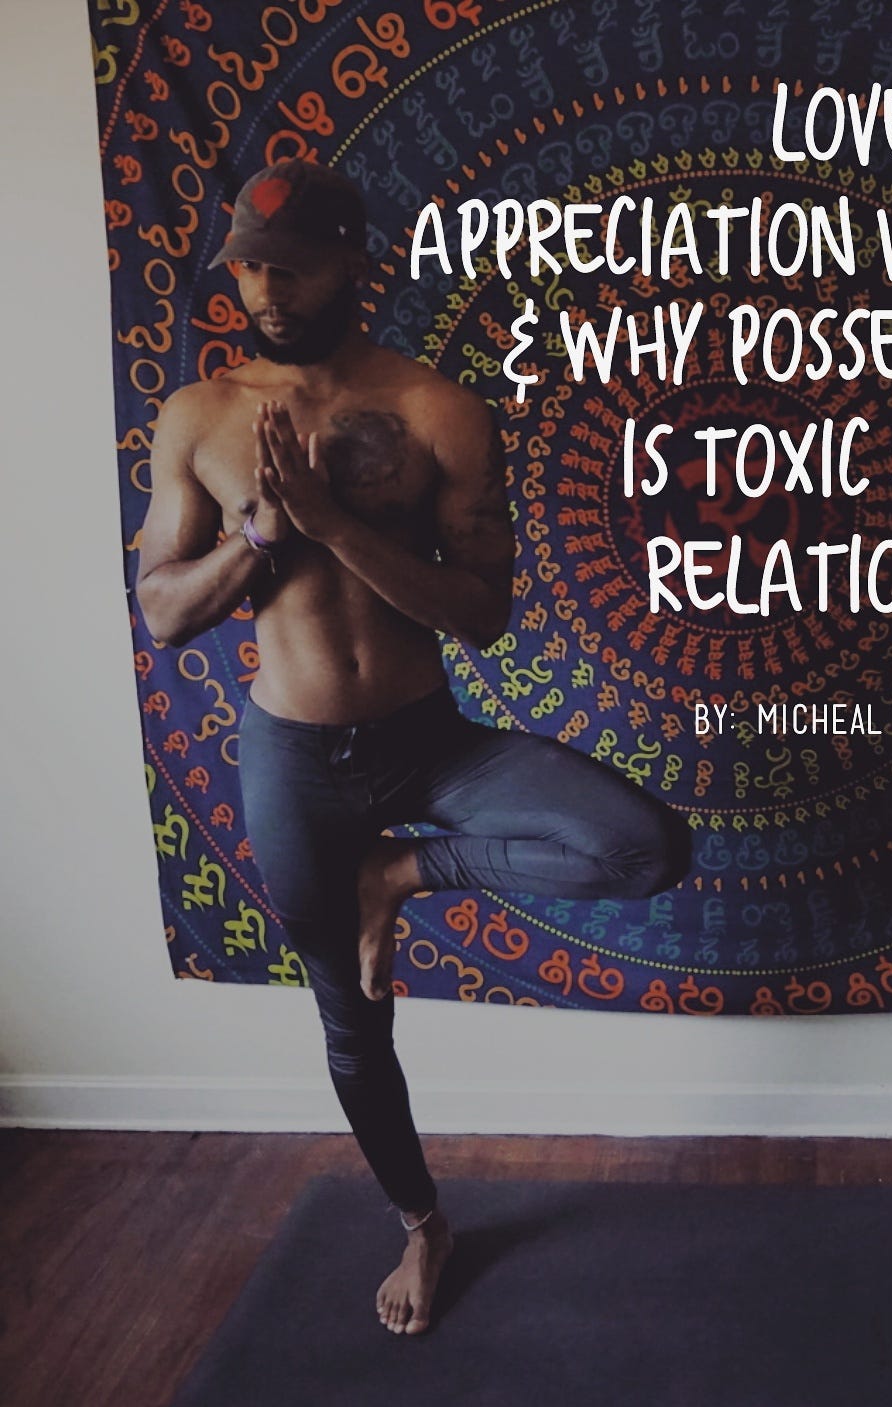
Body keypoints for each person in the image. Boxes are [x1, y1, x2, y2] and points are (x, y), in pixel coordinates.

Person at [135, 160, 692, 1337]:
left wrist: (333, 524)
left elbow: (482, 613)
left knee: (641, 845)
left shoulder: (439, 411)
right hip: (292, 759)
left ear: (353, 263)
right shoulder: (199, 415)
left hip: (426, 740)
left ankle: (399, 872)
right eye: (247, 266)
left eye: (291, 267)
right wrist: (259, 536)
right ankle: (421, 1220)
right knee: (350, 1018)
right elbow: (165, 613)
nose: (264, 289)